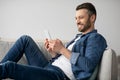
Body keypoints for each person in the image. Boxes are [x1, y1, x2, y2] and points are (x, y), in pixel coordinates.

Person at [0, 2, 107, 80]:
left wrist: (62, 49)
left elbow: (88, 65)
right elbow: (66, 60)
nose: (77, 21)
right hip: (49, 67)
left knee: (10, 67)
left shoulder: (95, 38)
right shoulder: (78, 37)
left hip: (58, 75)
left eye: (81, 17)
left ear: (92, 18)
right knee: (25, 40)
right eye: (76, 18)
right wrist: (54, 53)